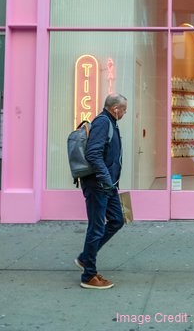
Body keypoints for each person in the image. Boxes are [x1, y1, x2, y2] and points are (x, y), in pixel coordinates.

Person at [75, 93, 128, 290]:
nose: (124, 113)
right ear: (115, 108)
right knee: (96, 227)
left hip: (109, 185)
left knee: (117, 220)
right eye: (123, 109)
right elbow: (93, 153)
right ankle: (88, 275)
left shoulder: (111, 123)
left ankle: (85, 257)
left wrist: (111, 181)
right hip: (99, 185)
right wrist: (106, 178)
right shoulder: (103, 123)